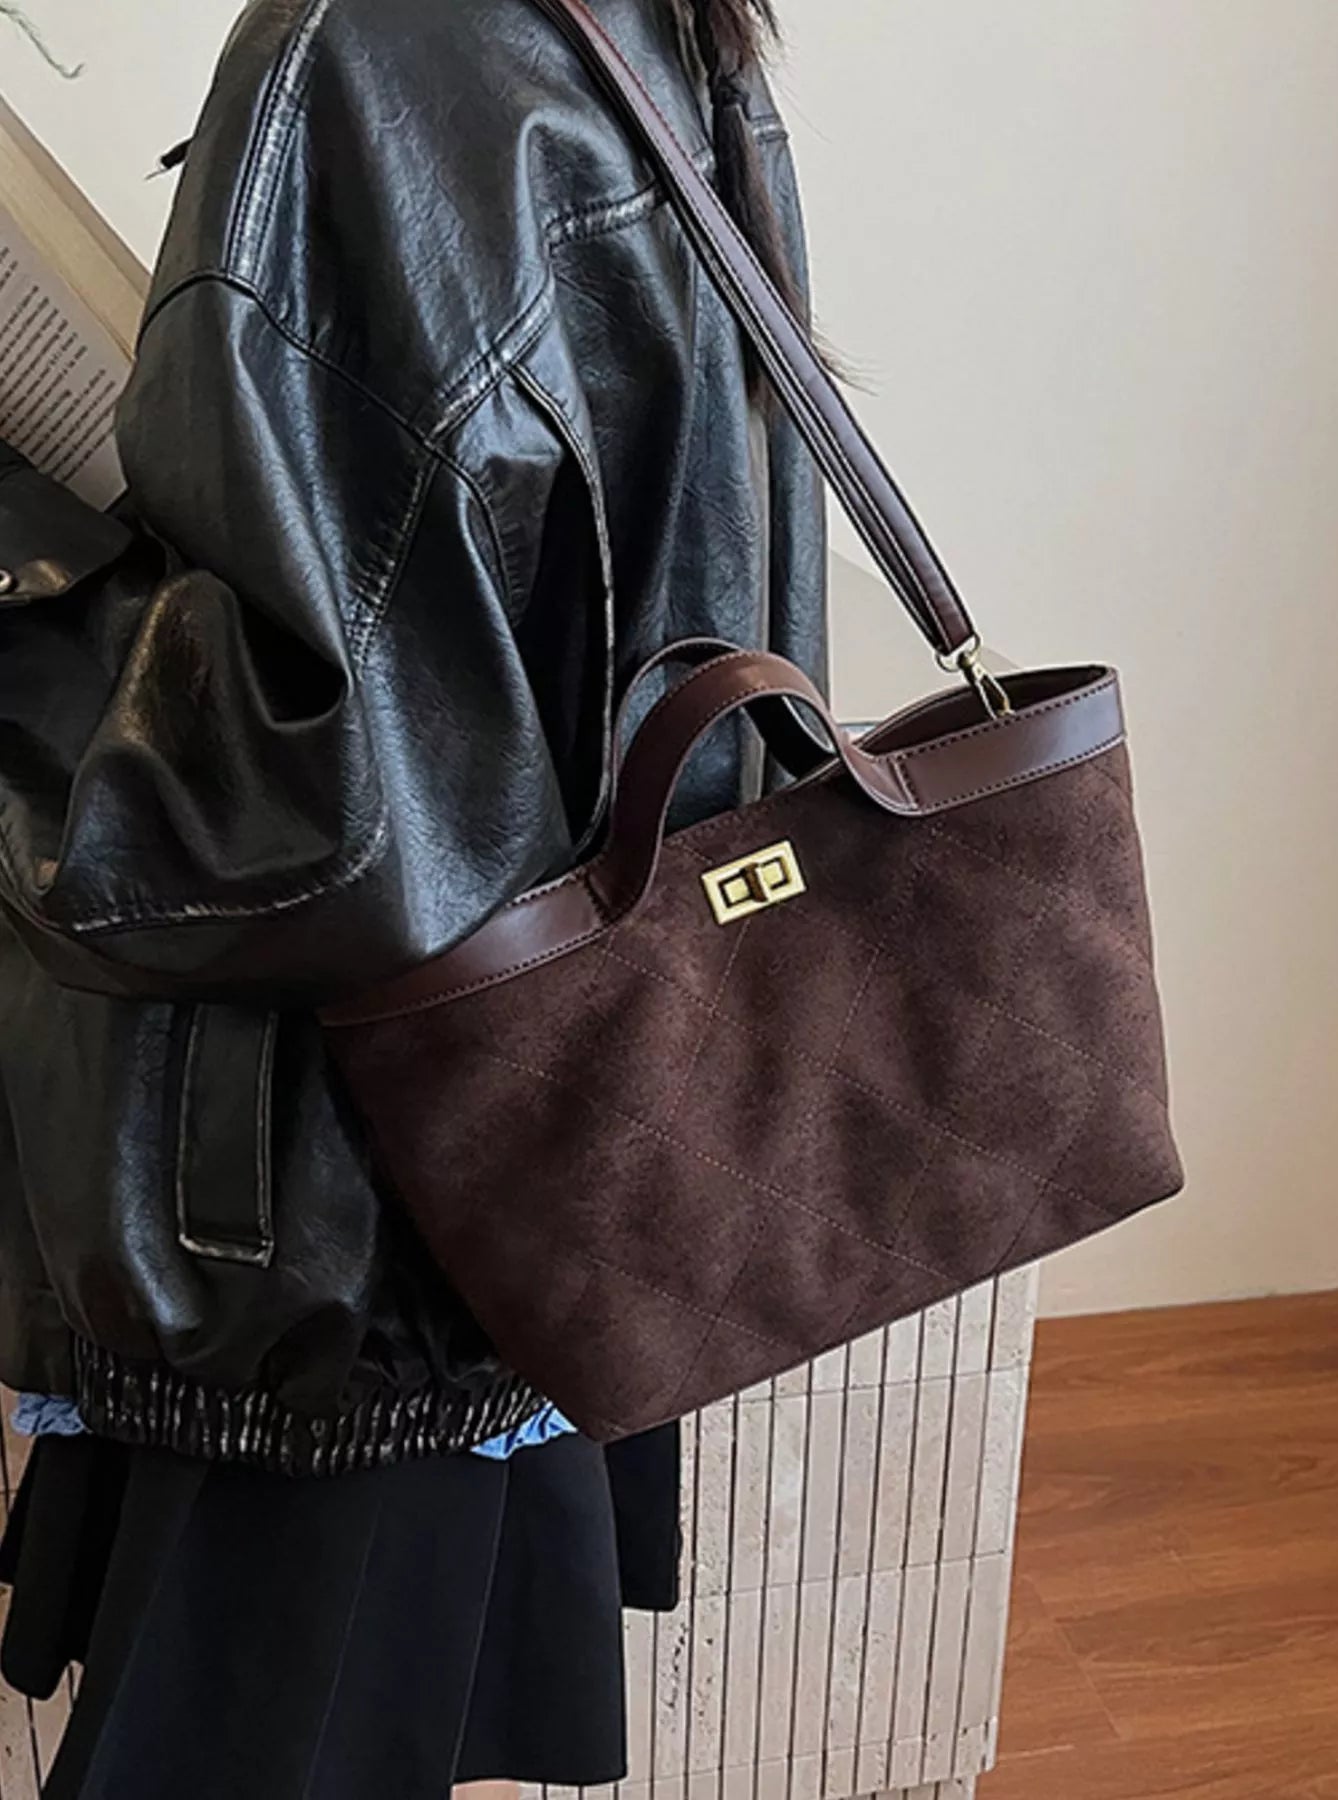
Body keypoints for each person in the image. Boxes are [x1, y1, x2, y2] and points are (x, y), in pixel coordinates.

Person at [0, 0, 826, 1794]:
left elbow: (305, 793)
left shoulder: (368, 47)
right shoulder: (636, 31)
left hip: (316, 1221)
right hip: (518, 1161)